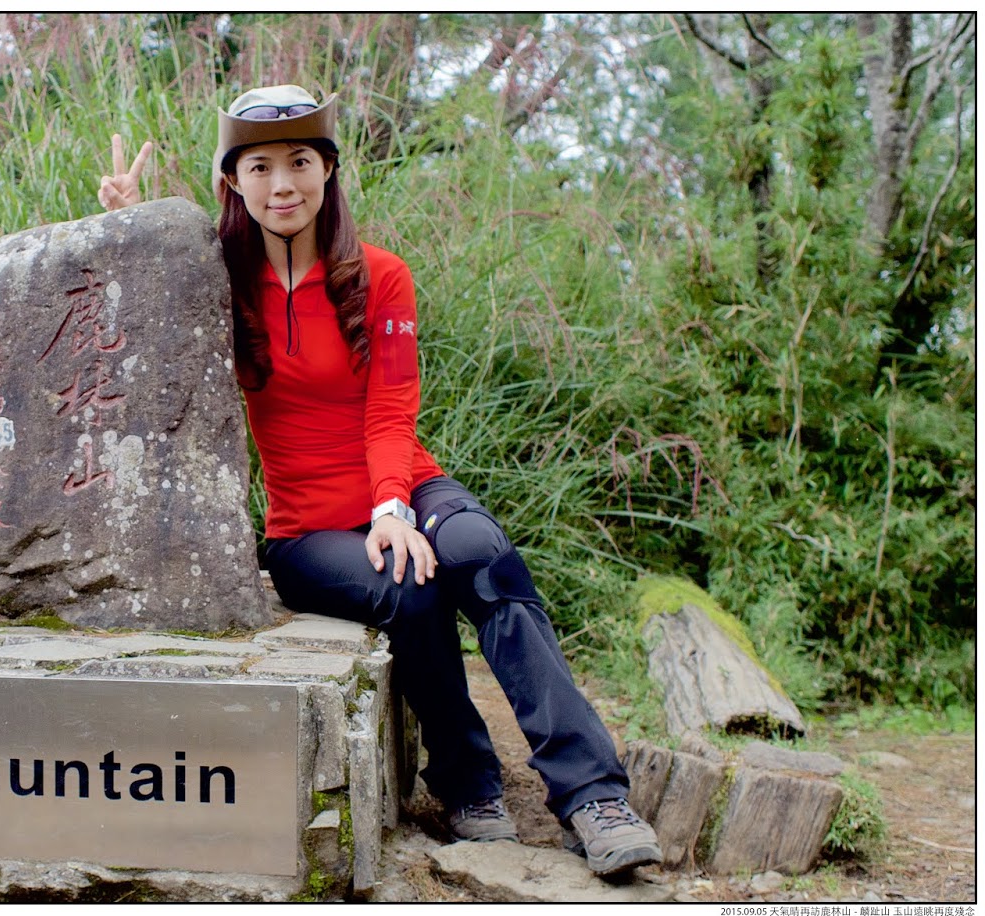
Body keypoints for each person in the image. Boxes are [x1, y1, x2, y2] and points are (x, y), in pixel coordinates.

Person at [98, 84, 661, 879]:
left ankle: (593, 796)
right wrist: (129, 225)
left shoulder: (379, 276)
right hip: (308, 530)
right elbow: (142, 320)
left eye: (300, 161)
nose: (283, 184)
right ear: (233, 182)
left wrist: (393, 506)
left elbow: (392, 406)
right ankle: (468, 782)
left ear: (328, 169)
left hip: (404, 484)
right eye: (260, 167)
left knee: (481, 555)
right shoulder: (216, 281)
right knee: (410, 588)